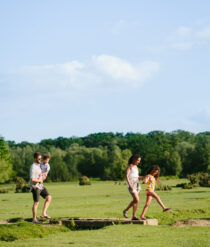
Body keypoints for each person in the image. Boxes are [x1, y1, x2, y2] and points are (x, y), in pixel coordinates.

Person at [30, 152, 52, 223]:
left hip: (40, 186)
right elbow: (32, 179)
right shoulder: (33, 167)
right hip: (35, 187)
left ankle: (43, 214)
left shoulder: (39, 165)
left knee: (48, 197)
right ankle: (34, 219)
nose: (40, 159)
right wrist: (39, 180)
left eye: (40, 158)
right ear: (35, 158)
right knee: (36, 202)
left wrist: (42, 178)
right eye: (39, 158)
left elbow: (43, 173)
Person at [123, 154, 144, 220]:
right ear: (134, 159)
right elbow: (127, 176)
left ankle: (134, 216)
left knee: (135, 201)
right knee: (136, 199)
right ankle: (126, 210)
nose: (139, 162)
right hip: (131, 184)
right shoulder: (130, 166)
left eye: (139, 160)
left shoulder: (136, 167)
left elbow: (137, 177)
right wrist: (130, 185)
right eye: (138, 160)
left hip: (137, 184)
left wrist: (144, 177)